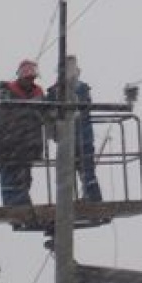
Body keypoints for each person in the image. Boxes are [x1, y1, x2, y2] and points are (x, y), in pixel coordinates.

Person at [47, 55, 103, 202]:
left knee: (87, 172)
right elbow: (49, 112)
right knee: (66, 174)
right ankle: (68, 202)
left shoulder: (82, 89)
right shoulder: (55, 91)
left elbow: (84, 107)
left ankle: (92, 199)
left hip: (83, 137)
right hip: (66, 139)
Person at [0, 59, 45, 206]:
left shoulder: (37, 94)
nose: (29, 81)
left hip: (27, 147)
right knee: (11, 180)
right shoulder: (8, 95)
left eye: (31, 78)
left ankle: (22, 208)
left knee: (24, 179)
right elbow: (9, 117)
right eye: (27, 78)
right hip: (10, 148)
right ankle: (16, 208)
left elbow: (44, 113)